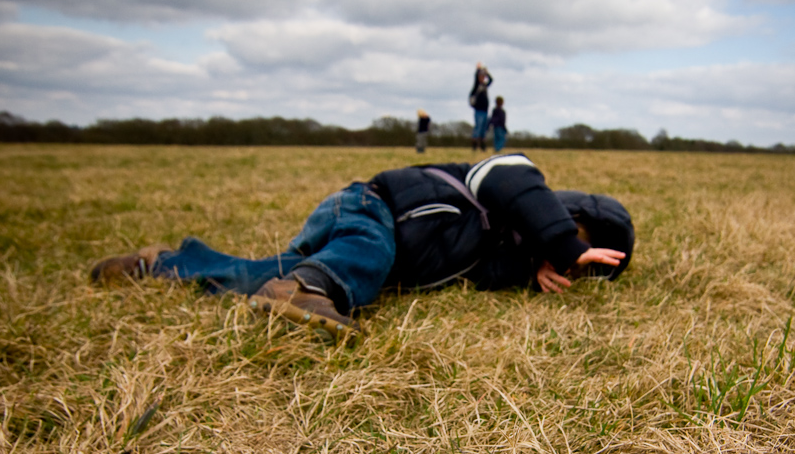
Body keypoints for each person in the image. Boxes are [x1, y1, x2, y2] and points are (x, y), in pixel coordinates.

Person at [90, 153, 634, 341]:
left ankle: (160, 265)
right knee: (364, 254)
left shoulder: (507, 250)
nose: (571, 264)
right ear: (567, 211)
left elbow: (484, 271)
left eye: (587, 268)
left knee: (263, 276)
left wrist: (529, 267)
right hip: (369, 208)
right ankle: (308, 288)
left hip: (367, 264)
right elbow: (507, 173)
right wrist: (560, 242)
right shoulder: (509, 185)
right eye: (581, 248)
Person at [469, 63, 493, 151]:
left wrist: (486, 73)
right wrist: (478, 70)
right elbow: (475, 78)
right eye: (481, 76)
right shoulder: (476, 86)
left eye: (483, 77)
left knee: (484, 129)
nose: (482, 78)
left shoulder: (485, 85)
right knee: (478, 128)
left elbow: (491, 80)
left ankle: (482, 145)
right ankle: (474, 145)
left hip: (485, 110)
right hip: (478, 110)